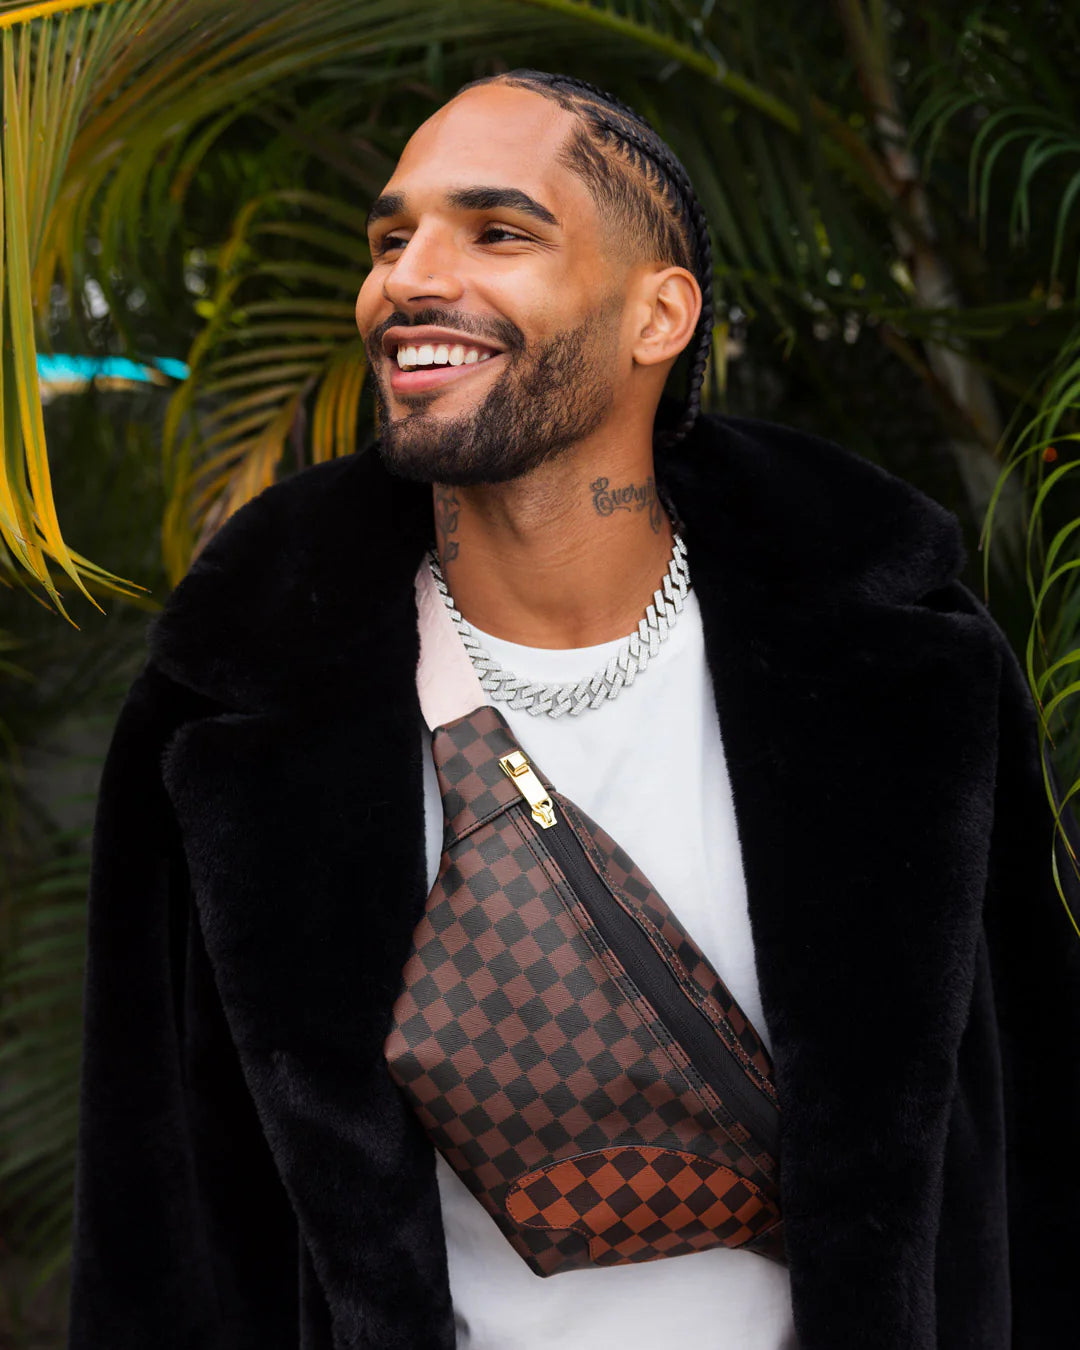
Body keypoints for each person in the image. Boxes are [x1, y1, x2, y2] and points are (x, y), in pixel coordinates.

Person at [68, 71, 1080, 1350]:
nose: (408, 280)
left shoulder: (904, 664)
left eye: (498, 232)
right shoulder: (233, 698)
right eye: (390, 239)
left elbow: (1037, 1131)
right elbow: (153, 1196)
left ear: (660, 314)